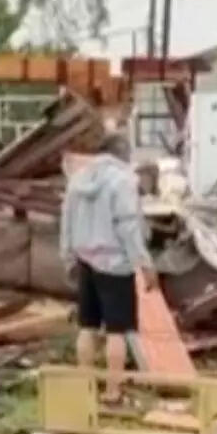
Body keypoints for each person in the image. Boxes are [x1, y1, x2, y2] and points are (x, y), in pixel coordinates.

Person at [60, 135, 156, 403]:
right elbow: (128, 226)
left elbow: (66, 221)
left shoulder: (78, 179)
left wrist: (68, 257)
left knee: (87, 326)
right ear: (122, 153)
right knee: (117, 331)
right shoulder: (123, 181)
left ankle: (85, 387)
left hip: (85, 261)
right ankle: (113, 391)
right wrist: (144, 263)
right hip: (115, 265)